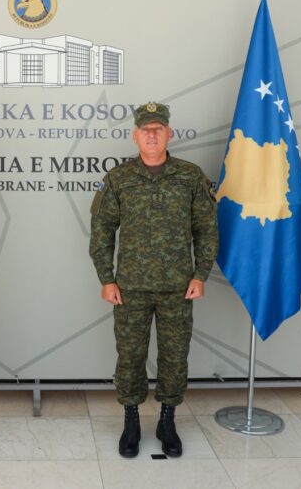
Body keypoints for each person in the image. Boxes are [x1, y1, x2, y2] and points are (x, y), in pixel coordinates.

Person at [89, 102, 218, 458]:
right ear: (135, 135)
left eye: (157, 129)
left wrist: (201, 274)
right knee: (130, 355)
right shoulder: (119, 178)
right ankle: (131, 420)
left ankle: (167, 420)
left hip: (178, 287)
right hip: (130, 288)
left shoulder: (190, 176)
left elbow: (207, 229)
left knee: (175, 357)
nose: (151, 135)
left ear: (168, 134)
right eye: (145, 130)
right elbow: (101, 231)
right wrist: (106, 279)